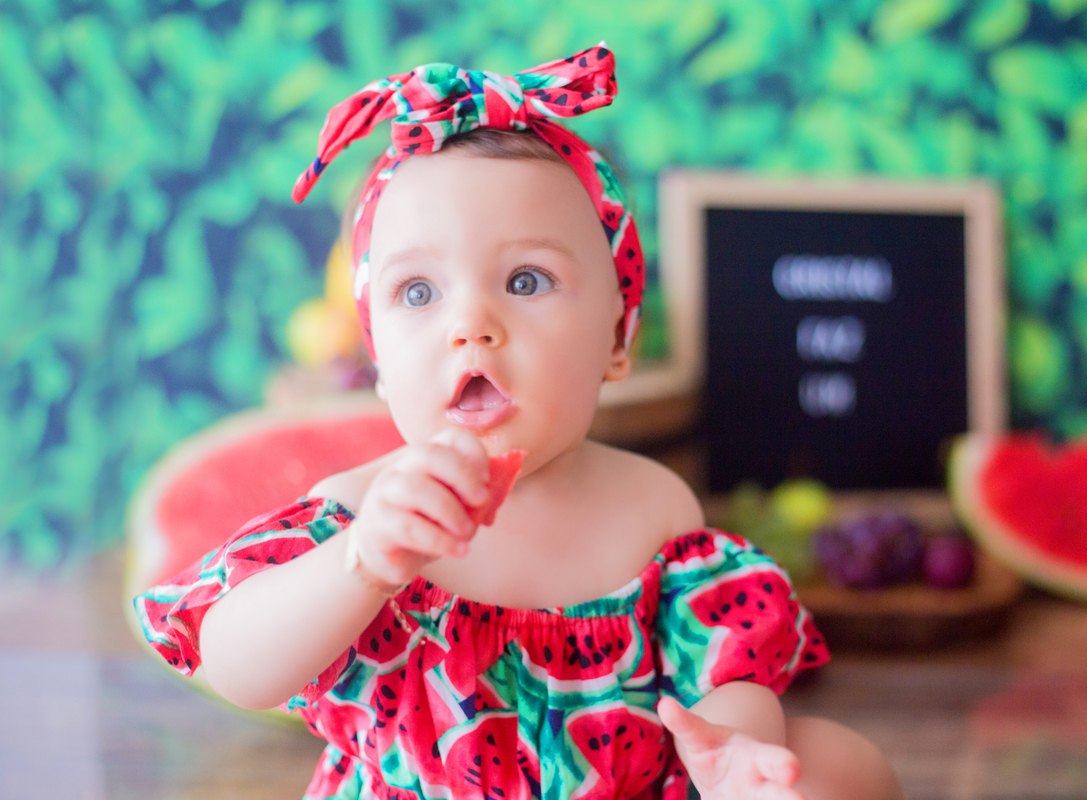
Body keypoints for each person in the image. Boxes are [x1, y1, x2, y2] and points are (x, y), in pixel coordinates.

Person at [134, 43, 903, 800]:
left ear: (616, 338)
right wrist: (362, 564)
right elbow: (236, 666)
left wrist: (732, 751)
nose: (471, 323)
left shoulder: (651, 510)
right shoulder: (362, 514)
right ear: (379, 362)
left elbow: (721, 672)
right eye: (418, 292)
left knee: (841, 765)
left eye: (527, 280)